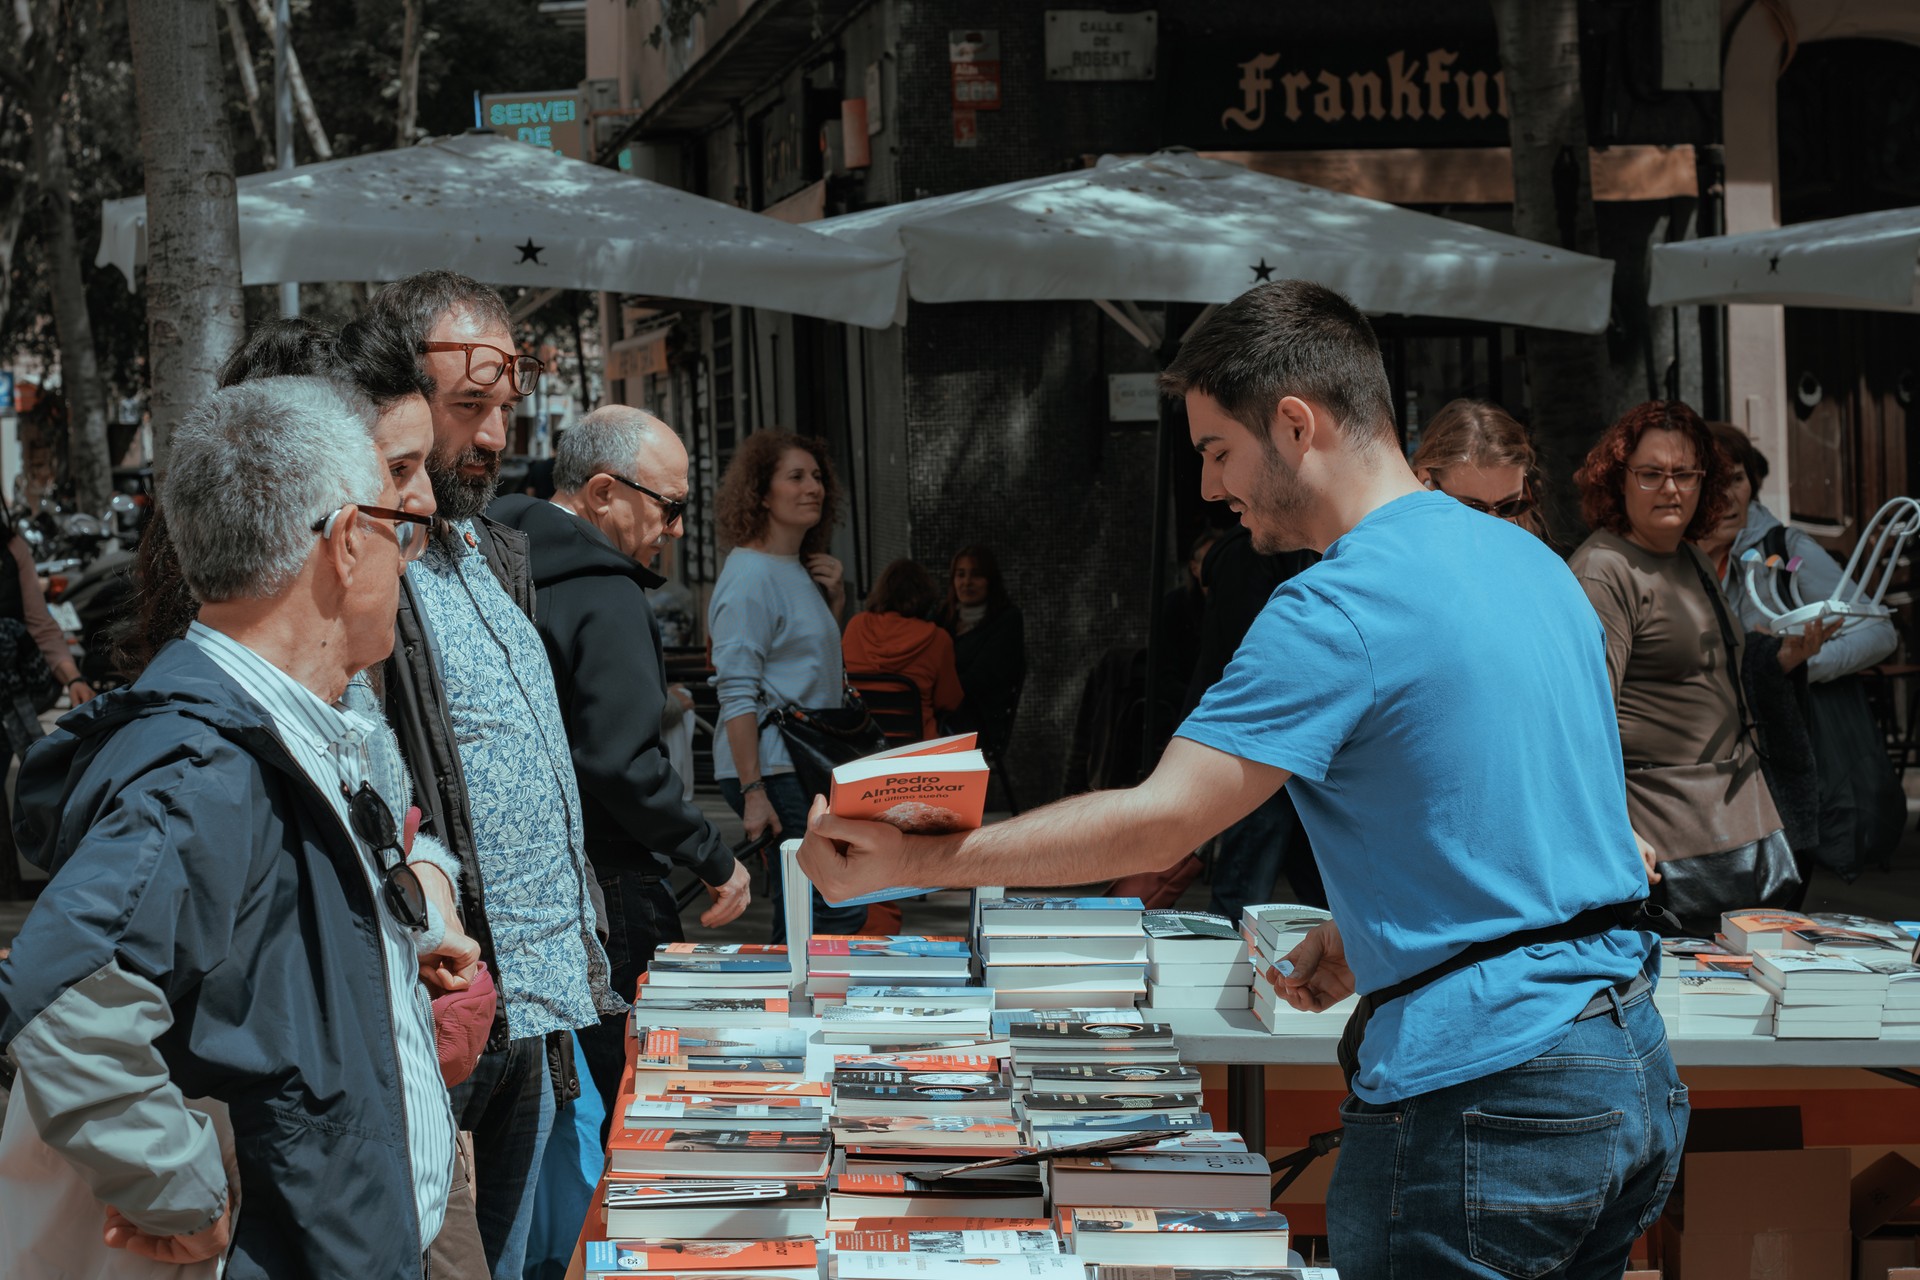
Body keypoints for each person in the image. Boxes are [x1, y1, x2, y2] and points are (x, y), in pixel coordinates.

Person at [800, 279, 1684, 1278]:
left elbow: (1159, 822)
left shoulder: (1336, 607)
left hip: (1484, 1093)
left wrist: (913, 857)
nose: (1216, 488)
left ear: (1295, 422)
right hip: (1628, 1062)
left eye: (1219, 451)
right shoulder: (1528, 561)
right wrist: (1376, 926)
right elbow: (1536, 801)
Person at [0, 377, 457, 1278]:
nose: (408, 552)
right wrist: (183, 1193)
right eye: (395, 526)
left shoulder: (267, 732)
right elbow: (62, 999)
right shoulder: (207, 765)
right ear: (342, 541)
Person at [368, 270, 617, 1280]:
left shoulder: (493, 550)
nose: (494, 433)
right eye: (469, 405)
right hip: (453, 996)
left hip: (541, 1002)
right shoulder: (375, 564)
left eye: (503, 406)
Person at [488, 406, 751, 1126]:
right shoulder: (605, 589)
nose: (675, 530)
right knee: (646, 1092)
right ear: (603, 492)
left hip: (522, 879)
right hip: (609, 878)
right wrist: (711, 854)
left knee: (557, 1097)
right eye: (669, 508)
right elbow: (622, 761)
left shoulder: (491, 561)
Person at [1569, 401, 1832, 933]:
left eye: (1685, 474)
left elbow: (1716, 675)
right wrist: (1617, 825)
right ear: (1618, 480)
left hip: (1740, 824)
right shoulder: (1603, 571)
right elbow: (1582, 718)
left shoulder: (1689, 555)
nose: (1670, 489)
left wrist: (1784, 656)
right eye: (1651, 474)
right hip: (1665, 837)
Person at [1696, 422, 1903, 881]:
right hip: (1706, 771)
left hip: (1782, 765)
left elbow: (1878, 631)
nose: (1728, 496)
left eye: (1737, 479)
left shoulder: (1785, 550)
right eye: (1713, 482)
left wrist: (1798, 668)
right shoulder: (1673, 562)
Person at [709, 429, 862, 936]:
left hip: (806, 758)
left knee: (822, 903)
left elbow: (804, 667)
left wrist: (833, 605)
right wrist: (754, 792)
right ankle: (801, 1007)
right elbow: (736, 691)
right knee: (823, 904)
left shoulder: (797, 569)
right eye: (794, 477)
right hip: (774, 767)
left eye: (817, 476)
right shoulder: (751, 576)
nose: (812, 487)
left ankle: (806, 1003)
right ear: (761, 493)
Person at [1181, 525, 1322, 919]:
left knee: (1299, 876)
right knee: (1246, 881)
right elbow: (1256, 654)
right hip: (1260, 736)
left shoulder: (1282, 556)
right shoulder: (1252, 558)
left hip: (1283, 735)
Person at [843, 558, 964, 741]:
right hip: (915, 748)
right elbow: (949, 701)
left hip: (860, 744)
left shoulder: (856, 625)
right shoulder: (938, 639)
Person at [1409, 397, 1552, 542]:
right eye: (1473, 510)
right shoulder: (1399, 553)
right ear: (1425, 483)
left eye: (1509, 507)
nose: (1493, 525)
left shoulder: (1532, 555)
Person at [941, 545, 1025, 756]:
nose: (967, 582)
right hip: (942, 711)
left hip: (979, 718)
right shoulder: (942, 616)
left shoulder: (1007, 620)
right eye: (961, 575)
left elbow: (981, 678)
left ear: (990, 581)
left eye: (976, 575)